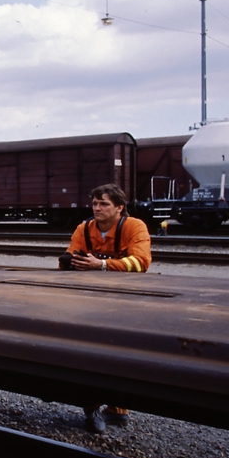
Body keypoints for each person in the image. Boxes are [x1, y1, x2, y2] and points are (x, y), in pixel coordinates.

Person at [59, 184, 152, 434]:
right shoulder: (85, 228)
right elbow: (71, 256)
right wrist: (70, 262)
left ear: (119, 207)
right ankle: (92, 408)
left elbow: (141, 263)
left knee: (120, 351)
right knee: (91, 352)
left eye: (104, 204)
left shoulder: (134, 227)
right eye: (95, 204)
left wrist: (101, 264)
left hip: (125, 300)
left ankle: (117, 408)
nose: (97, 208)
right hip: (92, 300)